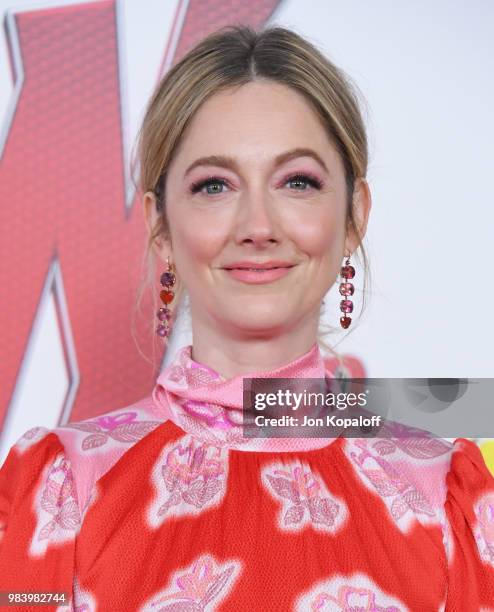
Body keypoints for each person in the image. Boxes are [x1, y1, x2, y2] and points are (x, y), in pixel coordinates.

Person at [1, 24, 493, 612]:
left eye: (298, 182)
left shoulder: (446, 498)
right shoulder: (61, 488)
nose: (258, 226)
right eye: (214, 185)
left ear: (354, 216)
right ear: (161, 226)